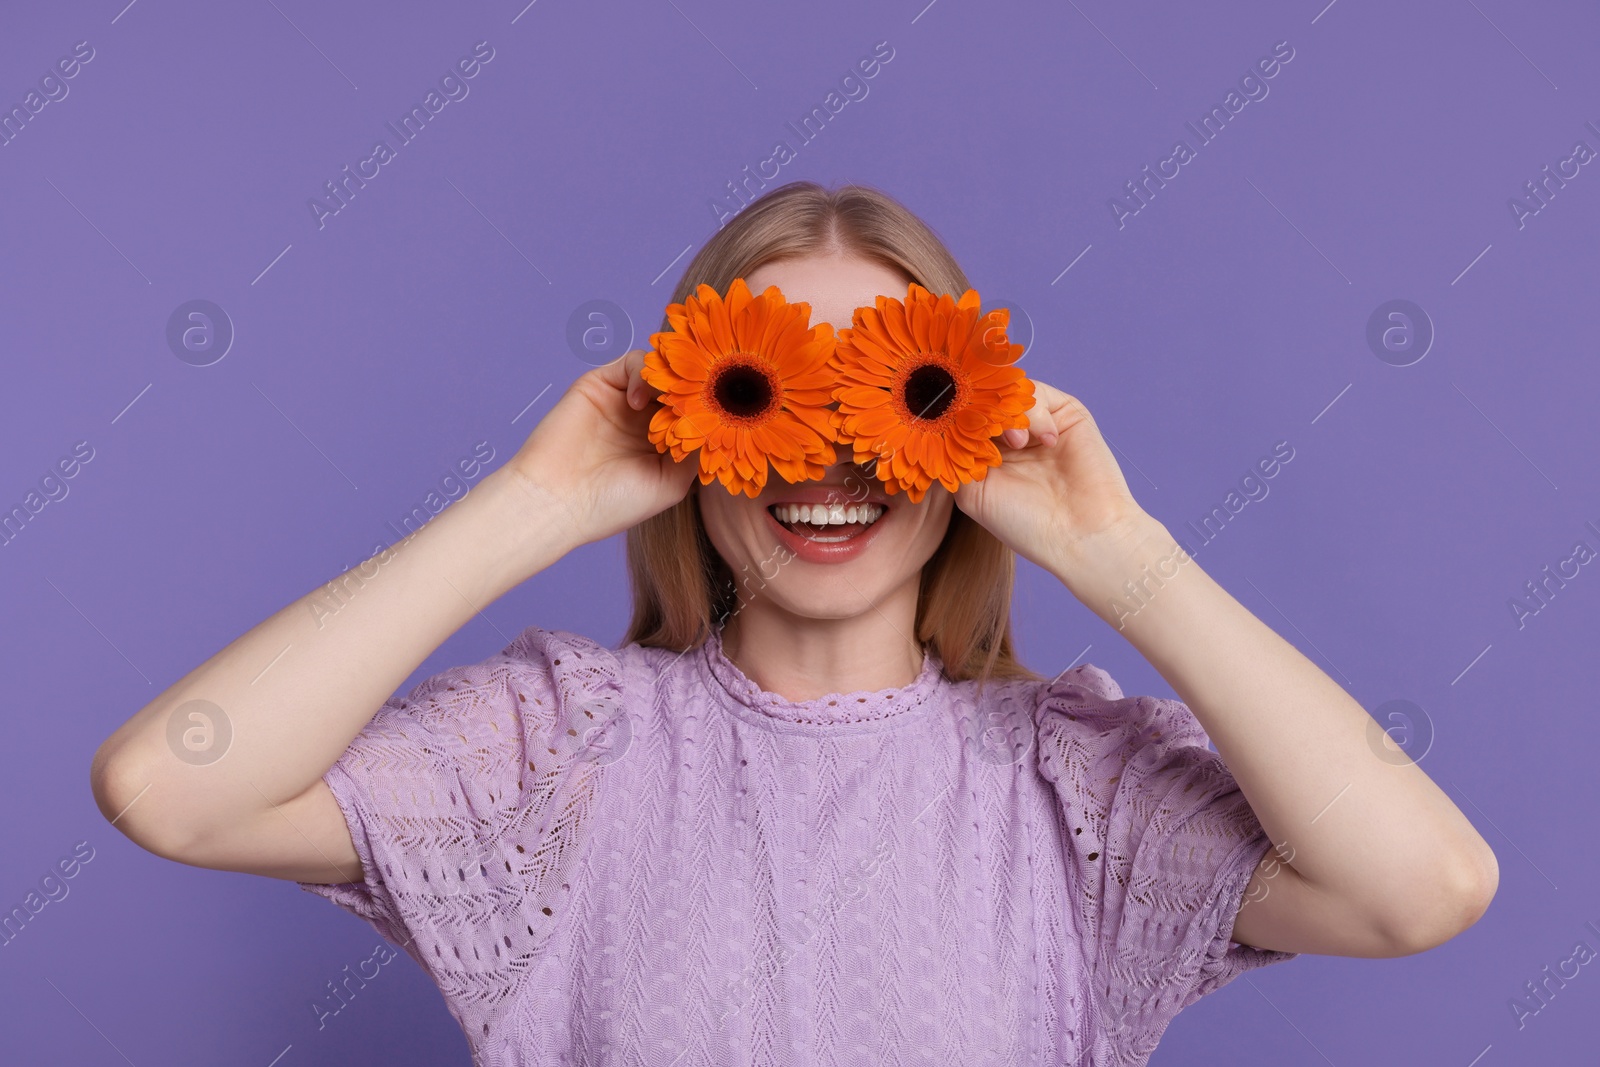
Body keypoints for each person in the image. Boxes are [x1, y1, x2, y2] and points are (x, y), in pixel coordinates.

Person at [90, 181, 1497, 1066]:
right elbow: (173, 788)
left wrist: (1121, 557)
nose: (830, 462)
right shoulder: (558, 752)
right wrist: (532, 506)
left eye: (890, 403)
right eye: (772, 395)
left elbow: (1421, 885)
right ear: (689, 431)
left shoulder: (1074, 786)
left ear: (970, 439)